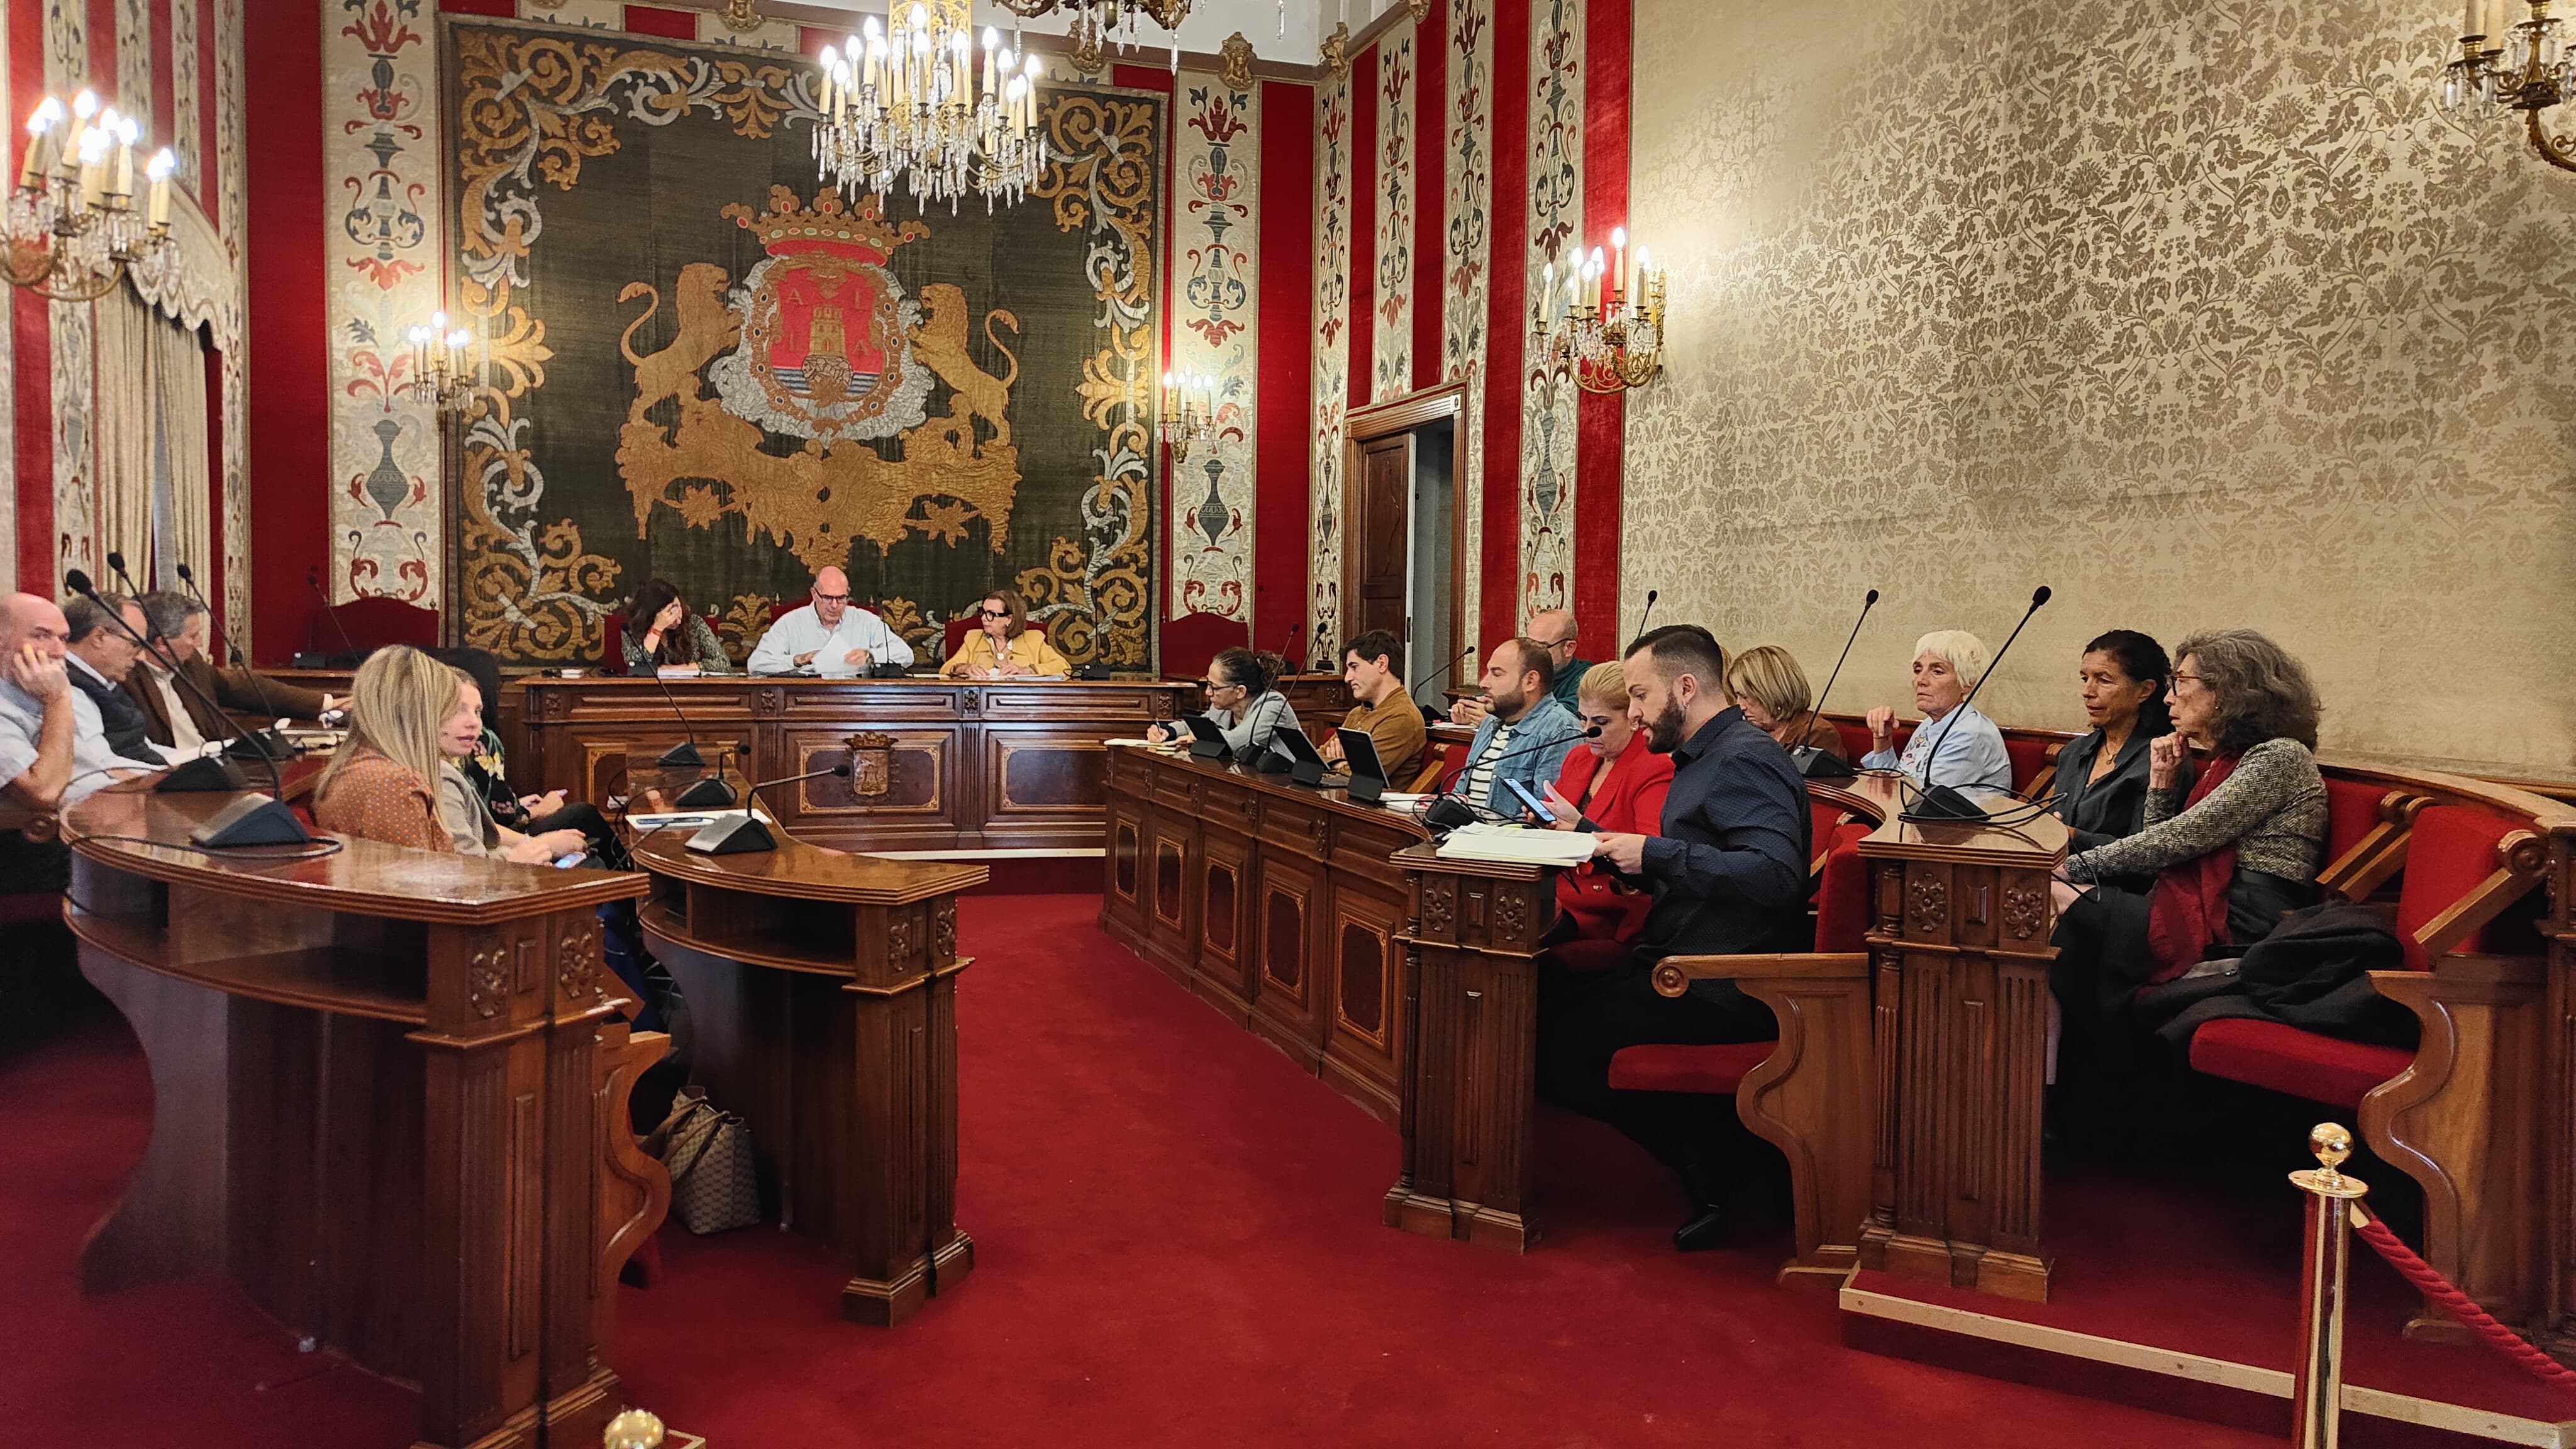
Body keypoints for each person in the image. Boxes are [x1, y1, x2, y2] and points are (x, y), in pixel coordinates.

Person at [1535, 625, 1809, 1251]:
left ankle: (1713, 1161)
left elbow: (1775, 875)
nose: (1632, 712)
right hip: (1676, 959)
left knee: (1548, 1048)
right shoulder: (1700, 755)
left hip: (1723, 980)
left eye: (1640, 696)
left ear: (1685, 688)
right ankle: (1722, 1154)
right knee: (1536, 1004)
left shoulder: (1743, 757)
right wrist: (1623, 856)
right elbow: (1697, 862)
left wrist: (1657, 854)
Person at [2046, 628, 2327, 1065]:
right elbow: (2170, 852)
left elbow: (2176, 842)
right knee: (2053, 907)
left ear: (2226, 691)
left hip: (2241, 921)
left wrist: (2069, 866)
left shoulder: (2279, 758)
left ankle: (2097, 1069)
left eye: (2181, 682)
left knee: (2056, 899)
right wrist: (2162, 785)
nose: (2168, 698)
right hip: (2195, 902)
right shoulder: (2232, 760)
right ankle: (2078, 1074)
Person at [314, 646, 581, 863]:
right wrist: (518, 863)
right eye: (447, 708)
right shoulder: (393, 785)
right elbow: (434, 895)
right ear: (413, 710)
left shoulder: (363, 764)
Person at [0, 594, 158, 891]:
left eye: (64, 638)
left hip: (102, 821)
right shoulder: (51, 695)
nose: (59, 651)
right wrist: (59, 700)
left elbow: (96, 768)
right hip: (43, 846)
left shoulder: (35, 692)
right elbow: (43, 792)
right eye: (42, 636)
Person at [1531, 660, 1674, 948]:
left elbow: (1650, 856)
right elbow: (1556, 821)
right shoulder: (1579, 757)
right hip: (1554, 891)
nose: (1587, 730)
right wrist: (1540, 822)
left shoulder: (1655, 766)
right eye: (1583, 719)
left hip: (1609, 907)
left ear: (1634, 718)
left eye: (1601, 722)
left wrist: (1580, 830)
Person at [126, 591, 335, 752]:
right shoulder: (127, 679)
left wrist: (326, 703)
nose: (199, 644)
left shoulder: (191, 664)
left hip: (214, 766)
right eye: (193, 636)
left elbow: (244, 687)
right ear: (162, 644)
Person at [2050, 630, 2177, 884]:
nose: (2088, 691)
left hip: (2116, 890)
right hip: (2055, 877)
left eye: (2104, 681)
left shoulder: (2163, 760)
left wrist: (2075, 836)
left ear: (2145, 691)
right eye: (2085, 678)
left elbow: (2147, 852)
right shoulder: (2074, 752)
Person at [1448, 639, 1585, 818]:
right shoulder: (1490, 724)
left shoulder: (1561, 731)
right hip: (1464, 834)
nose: (1484, 683)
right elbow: (1461, 792)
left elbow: (1547, 816)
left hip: (1508, 841)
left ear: (1530, 681)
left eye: (1497, 674)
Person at [1862, 630, 2011, 792]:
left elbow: (1918, 800)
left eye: (1937, 671)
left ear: (1968, 683)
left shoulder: (1970, 733)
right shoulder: (1929, 724)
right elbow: (1896, 785)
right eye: (1918, 670)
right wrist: (1882, 738)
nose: (1920, 680)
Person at [747, 565, 916, 675]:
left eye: (841, 598)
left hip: (859, 700)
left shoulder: (866, 621)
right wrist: (797, 660)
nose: (835, 605)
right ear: (814, 594)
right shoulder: (791, 623)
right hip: (805, 702)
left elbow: (906, 655)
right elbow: (756, 664)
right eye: (828, 598)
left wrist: (871, 655)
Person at [60, 593, 164, 763]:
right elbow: (102, 764)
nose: (141, 657)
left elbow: (141, 747)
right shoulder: (68, 689)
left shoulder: (104, 680)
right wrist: (167, 774)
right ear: (99, 637)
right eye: (136, 645)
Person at [1143, 648, 1300, 757]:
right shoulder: (1223, 706)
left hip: (1291, 788)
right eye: (1208, 684)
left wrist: (1198, 736)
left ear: (1240, 691)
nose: (1207, 692)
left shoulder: (1273, 704)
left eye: (1214, 687)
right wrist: (1166, 731)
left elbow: (1237, 741)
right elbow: (1199, 724)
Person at [1319, 629, 1425, 781]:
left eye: (1354, 667)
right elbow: (1318, 756)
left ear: (1382, 664)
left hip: (1375, 804)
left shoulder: (1402, 717)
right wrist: (1344, 764)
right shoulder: (1357, 713)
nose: (1347, 678)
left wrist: (1337, 764)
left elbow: (1363, 775)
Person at [1725, 645, 1844, 760]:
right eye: (1737, 696)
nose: (1740, 706)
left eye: (1745, 697)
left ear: (1772, 691)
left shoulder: (1817, 735)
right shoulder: (1749, 732)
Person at [941, 588, 1069, 679]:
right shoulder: (973, 638)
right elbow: (946, 669)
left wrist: (1028, 670)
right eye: (983, 612)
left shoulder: (1033, 639)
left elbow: (1063, 668)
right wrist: (964, 668)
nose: (983, 618)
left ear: (1009, 619)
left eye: (991, 614)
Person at [623, 579, 731, 675]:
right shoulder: (631, 629)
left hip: (690, 691)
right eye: (670, 613)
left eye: (677, 607)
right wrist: (657, 629)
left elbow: (723, 663)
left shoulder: (694, 624)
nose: (678, 618)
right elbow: (636, 669)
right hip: (649, 692)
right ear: (653, 614)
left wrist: (675, 669)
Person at [1527, 608, 1594, 714]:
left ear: (1569, 648)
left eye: (1541, 647)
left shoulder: (1588, 680)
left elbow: (1558, 718)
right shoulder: (1523, 673)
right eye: (1528, 646)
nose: (1531, 655)